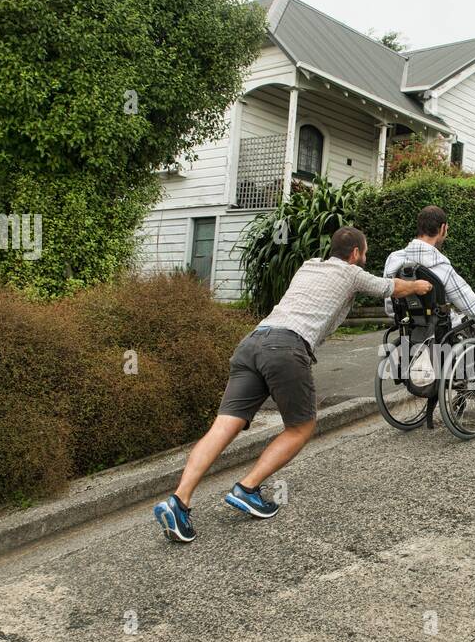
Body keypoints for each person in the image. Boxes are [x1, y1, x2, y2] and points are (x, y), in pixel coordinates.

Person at [153, 227, 432, 542]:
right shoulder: (352, 273)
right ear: (355, 254)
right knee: (301, 427)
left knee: (223, 426)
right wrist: (418, 286)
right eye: (364, 254)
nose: (363, 260)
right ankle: (247, 488)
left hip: (253, 342)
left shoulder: (309, 264)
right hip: (286, 348)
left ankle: (179, 500)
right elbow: (389, 287)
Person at [382, 205, 475, 361]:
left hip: (410, 333)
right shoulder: (440, 266)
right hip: (442, 335)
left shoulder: (394, 260)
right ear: (442, 228)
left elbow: (390, 307)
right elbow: (471, 306)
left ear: (420, 227)